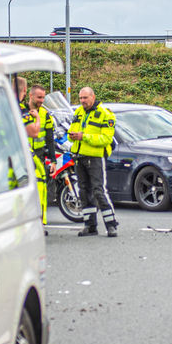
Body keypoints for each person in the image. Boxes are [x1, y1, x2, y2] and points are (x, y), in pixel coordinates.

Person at [69, 86, 118, 237]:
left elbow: (106, 139)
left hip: (95, 158)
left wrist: (83, 136)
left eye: (85, 98)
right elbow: (72, 130)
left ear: (93, 97)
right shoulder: (78, 112)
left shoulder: (106, 114)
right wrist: (71, 135)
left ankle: (111, 225)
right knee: (84, 191)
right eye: (81, 98)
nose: (82, 101)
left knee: (98, 190)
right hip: (80, 156)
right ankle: (90, 226)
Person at [23, 84, 56, 224]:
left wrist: (53, 160)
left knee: (41, 189)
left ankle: (40, 222)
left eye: (43, 97)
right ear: (30, 96)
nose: (41, 100)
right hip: (24, 156)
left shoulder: (45, 114)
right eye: (39, 97)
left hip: (39, 156)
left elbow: (50, 139)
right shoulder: (21, 110)